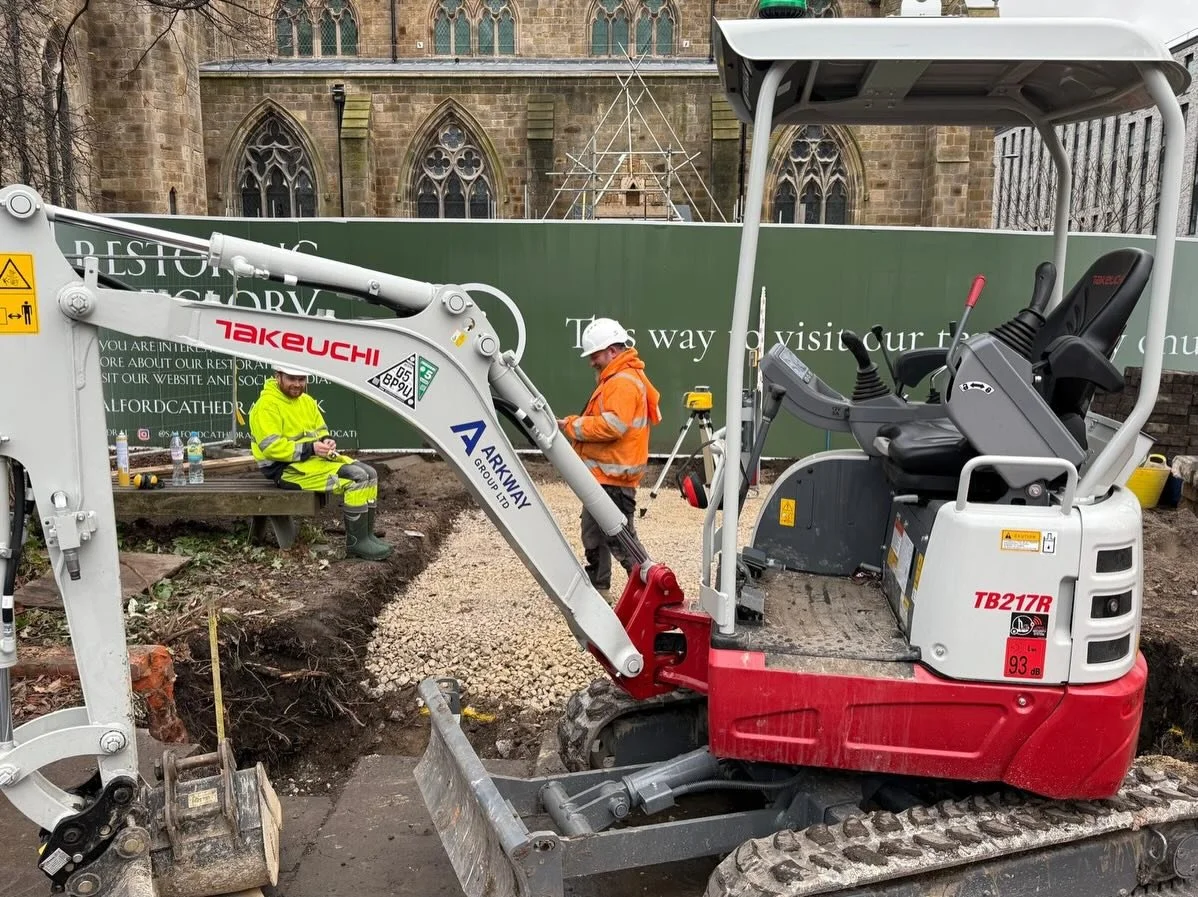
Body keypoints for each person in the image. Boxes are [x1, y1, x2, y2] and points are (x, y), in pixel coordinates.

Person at [558, 317, 661, 598]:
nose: (591, 361)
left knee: (620, 540)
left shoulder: (623, 382)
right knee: (593, 534)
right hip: (604, 477)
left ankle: (650, 591)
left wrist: (572, 426)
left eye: (595, 354)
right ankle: (598, 590)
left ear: (612, 351)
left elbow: (613, 426)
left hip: (614, 479)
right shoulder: (616, 378)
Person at [248, 366, 393, 561]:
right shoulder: (266, 406)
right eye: (292, 379)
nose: (297, 384)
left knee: (369, 473)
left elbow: (320, 429)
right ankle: (356, 544)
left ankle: (366, 537)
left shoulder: (306, 401)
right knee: (356, 478)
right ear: (278, 377)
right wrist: (312, 449)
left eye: (301, 379)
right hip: (285, 469)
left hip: (310, 461)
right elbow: (272, 448)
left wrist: (326, 440)